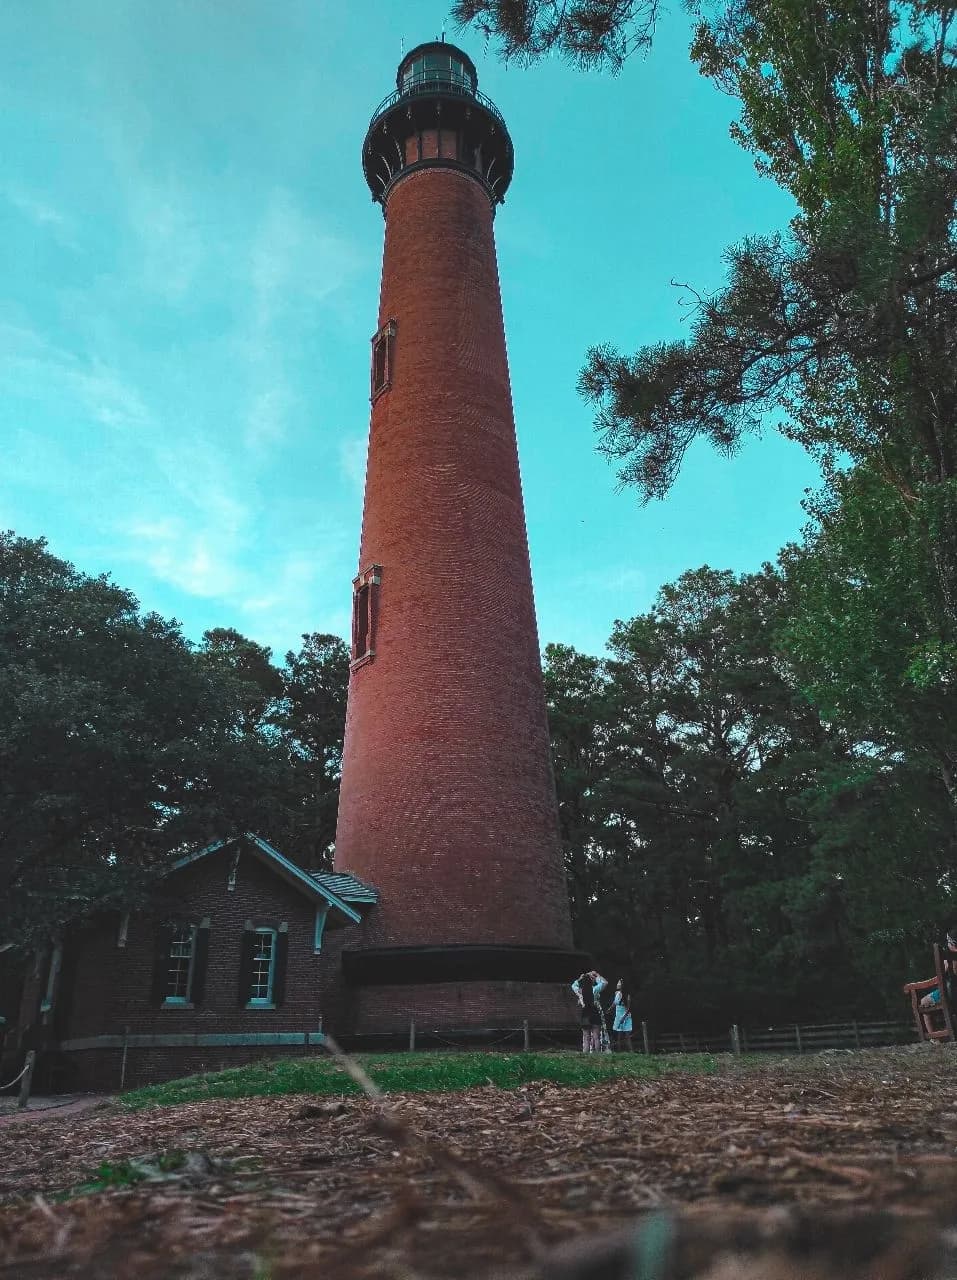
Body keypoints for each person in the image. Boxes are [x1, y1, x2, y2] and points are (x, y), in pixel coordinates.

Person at [919, 929, 957, 1035]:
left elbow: (940, 976)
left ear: (952, 944)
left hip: (951, 993)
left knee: (924, 1002)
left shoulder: (949, 956)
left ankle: (934, 1038)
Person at [571, 970, 607, 1053]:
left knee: (586, 1037)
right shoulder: (595, 990)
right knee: (596, 1037)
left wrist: (580, 978)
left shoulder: (579, 991)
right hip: (594, 1012)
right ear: (591, 981)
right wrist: (597, 975)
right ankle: (598, 1054)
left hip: (585, 1013)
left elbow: (573, 985)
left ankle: (586, 1055)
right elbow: (604, 983)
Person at [611, 978, 633, 1052]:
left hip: (626, 1016)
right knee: (618, 1035)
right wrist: (609, 1009)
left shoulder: (627, 995)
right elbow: (614, 1003)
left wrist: (624, 1017)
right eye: (617, 983)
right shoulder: (616, 993)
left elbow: (629, 1008)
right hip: (618, 1016)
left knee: (627, 1036)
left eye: (619, 983)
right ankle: (619, 1051)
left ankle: (631, 1052)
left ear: (623, 985)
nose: (617, 984)